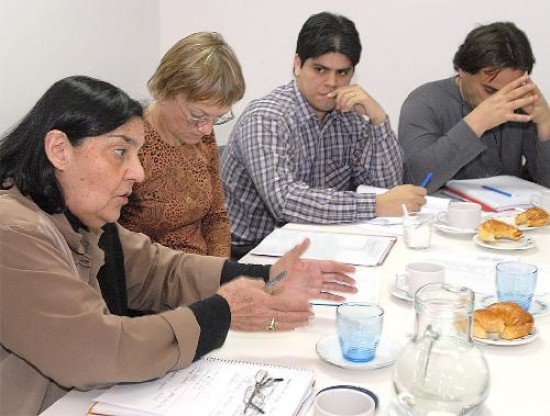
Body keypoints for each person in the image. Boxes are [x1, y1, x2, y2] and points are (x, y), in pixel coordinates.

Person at [0, 76, 357, 415]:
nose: (138, 173)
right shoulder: (12, 231)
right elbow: (96, 350)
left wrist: (267, 275)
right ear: (59, 150)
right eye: (120, 152)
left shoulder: (76, 213)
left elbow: (159, 270)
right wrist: (224, 311)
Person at [221, 12, 427, 258]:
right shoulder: (267, 118)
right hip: (250, 252)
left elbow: (387, 190)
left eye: (342, 73)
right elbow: (285, 202)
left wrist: (379, 119)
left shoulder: (349, 118)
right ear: (297, 64)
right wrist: (375, 205)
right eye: (320, 69)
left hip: (321, 243)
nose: (331, 83)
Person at [119, 32, 242, 257]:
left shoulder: (202, 134)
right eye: (197, 116)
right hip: (152, 279)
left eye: (217, 118)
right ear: (163, 91)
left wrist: (220, 273)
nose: (206, 129)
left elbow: (216, 217)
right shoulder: (130, 143)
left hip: (201, 272)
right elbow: (113, 241)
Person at [399, 21, 550, 194]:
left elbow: (545, 183)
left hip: (509, 216)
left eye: (511, 90)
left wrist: (546, 125)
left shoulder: (520, 102)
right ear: (463, 70)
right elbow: (414, 183)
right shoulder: (424, 102)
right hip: (444, 217)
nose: (500, 101)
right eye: (490, 90)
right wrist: (477, 123)